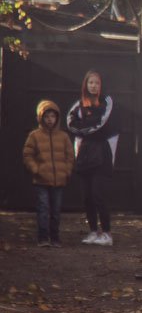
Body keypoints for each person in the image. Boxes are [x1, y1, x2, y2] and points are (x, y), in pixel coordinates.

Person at [67, 69, 118, 246]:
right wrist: (86, 128)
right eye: (90, 82)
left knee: (98, 195)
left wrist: (84, 128)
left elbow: (101, 124)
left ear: (101, 85)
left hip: (102, 155)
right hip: (84, 155)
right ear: (86, 84)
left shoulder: (107, 102)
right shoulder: (79, 104)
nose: (93, 86)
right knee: (87, 197)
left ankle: (107, 234)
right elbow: (71, 123)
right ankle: (93, 232)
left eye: (96, 83)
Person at [23, 100, 75, 248]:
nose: (50, 119)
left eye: (53, 116)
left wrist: (66, 171)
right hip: (41, 181)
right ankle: (43, 238)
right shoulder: (34, 136)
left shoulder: (63, 136)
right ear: (41, 118)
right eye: (46, 116)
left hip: (59, 181)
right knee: (43, 209)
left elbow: (70, 156)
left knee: (56, 211)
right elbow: (27, 155)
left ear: (57, 118)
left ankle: (55, 238)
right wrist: (36, 169)